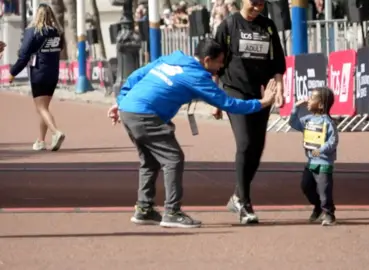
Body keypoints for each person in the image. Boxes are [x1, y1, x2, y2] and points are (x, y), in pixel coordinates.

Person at [107, 38, 277, 229]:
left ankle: (144, 208)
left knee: (150, 160)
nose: (221, 66)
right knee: (173, 158)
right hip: (145, 113)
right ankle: (172, 212)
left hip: (129, 110)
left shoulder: (173, 57)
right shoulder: (198, 76)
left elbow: (137, 75)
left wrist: (121, 101)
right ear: (206, 60)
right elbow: (229, 104)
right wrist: (262, 103)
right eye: (219, 61)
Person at [213, 0, 286, 224]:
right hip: (234, 90)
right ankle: (245, 203)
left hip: (262, 93)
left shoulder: (268, 26)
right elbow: (215, 63)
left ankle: (237, 195)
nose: (256, 9)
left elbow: (277, 63)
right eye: (253, 4)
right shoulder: (228, 25)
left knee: (256, 147)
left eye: (261, 5)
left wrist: (280, 88)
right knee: (244, 143)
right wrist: (215, 99)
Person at [8, 3, 66, 151]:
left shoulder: (33, 31)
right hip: (53, 73)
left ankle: (56, 132)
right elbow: (61, 48)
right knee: (44, 108)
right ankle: (40, 140)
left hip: (39, 72)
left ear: (37, 15)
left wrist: (13, 72)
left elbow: (24, 55)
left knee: (40, 107)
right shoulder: (57, 32)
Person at [288, 87, 339, 226]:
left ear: (321, 105)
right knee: (306, 186)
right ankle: (318, 207)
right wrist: (295, 108)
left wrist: (321, 149)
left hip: (324, 163)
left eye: (312, 98)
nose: (308, 101)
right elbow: (293, 123)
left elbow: (333, 141)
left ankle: (329, 214)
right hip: (311, 162)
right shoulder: (308, 120)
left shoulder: (328, 122)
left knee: (324, 190)